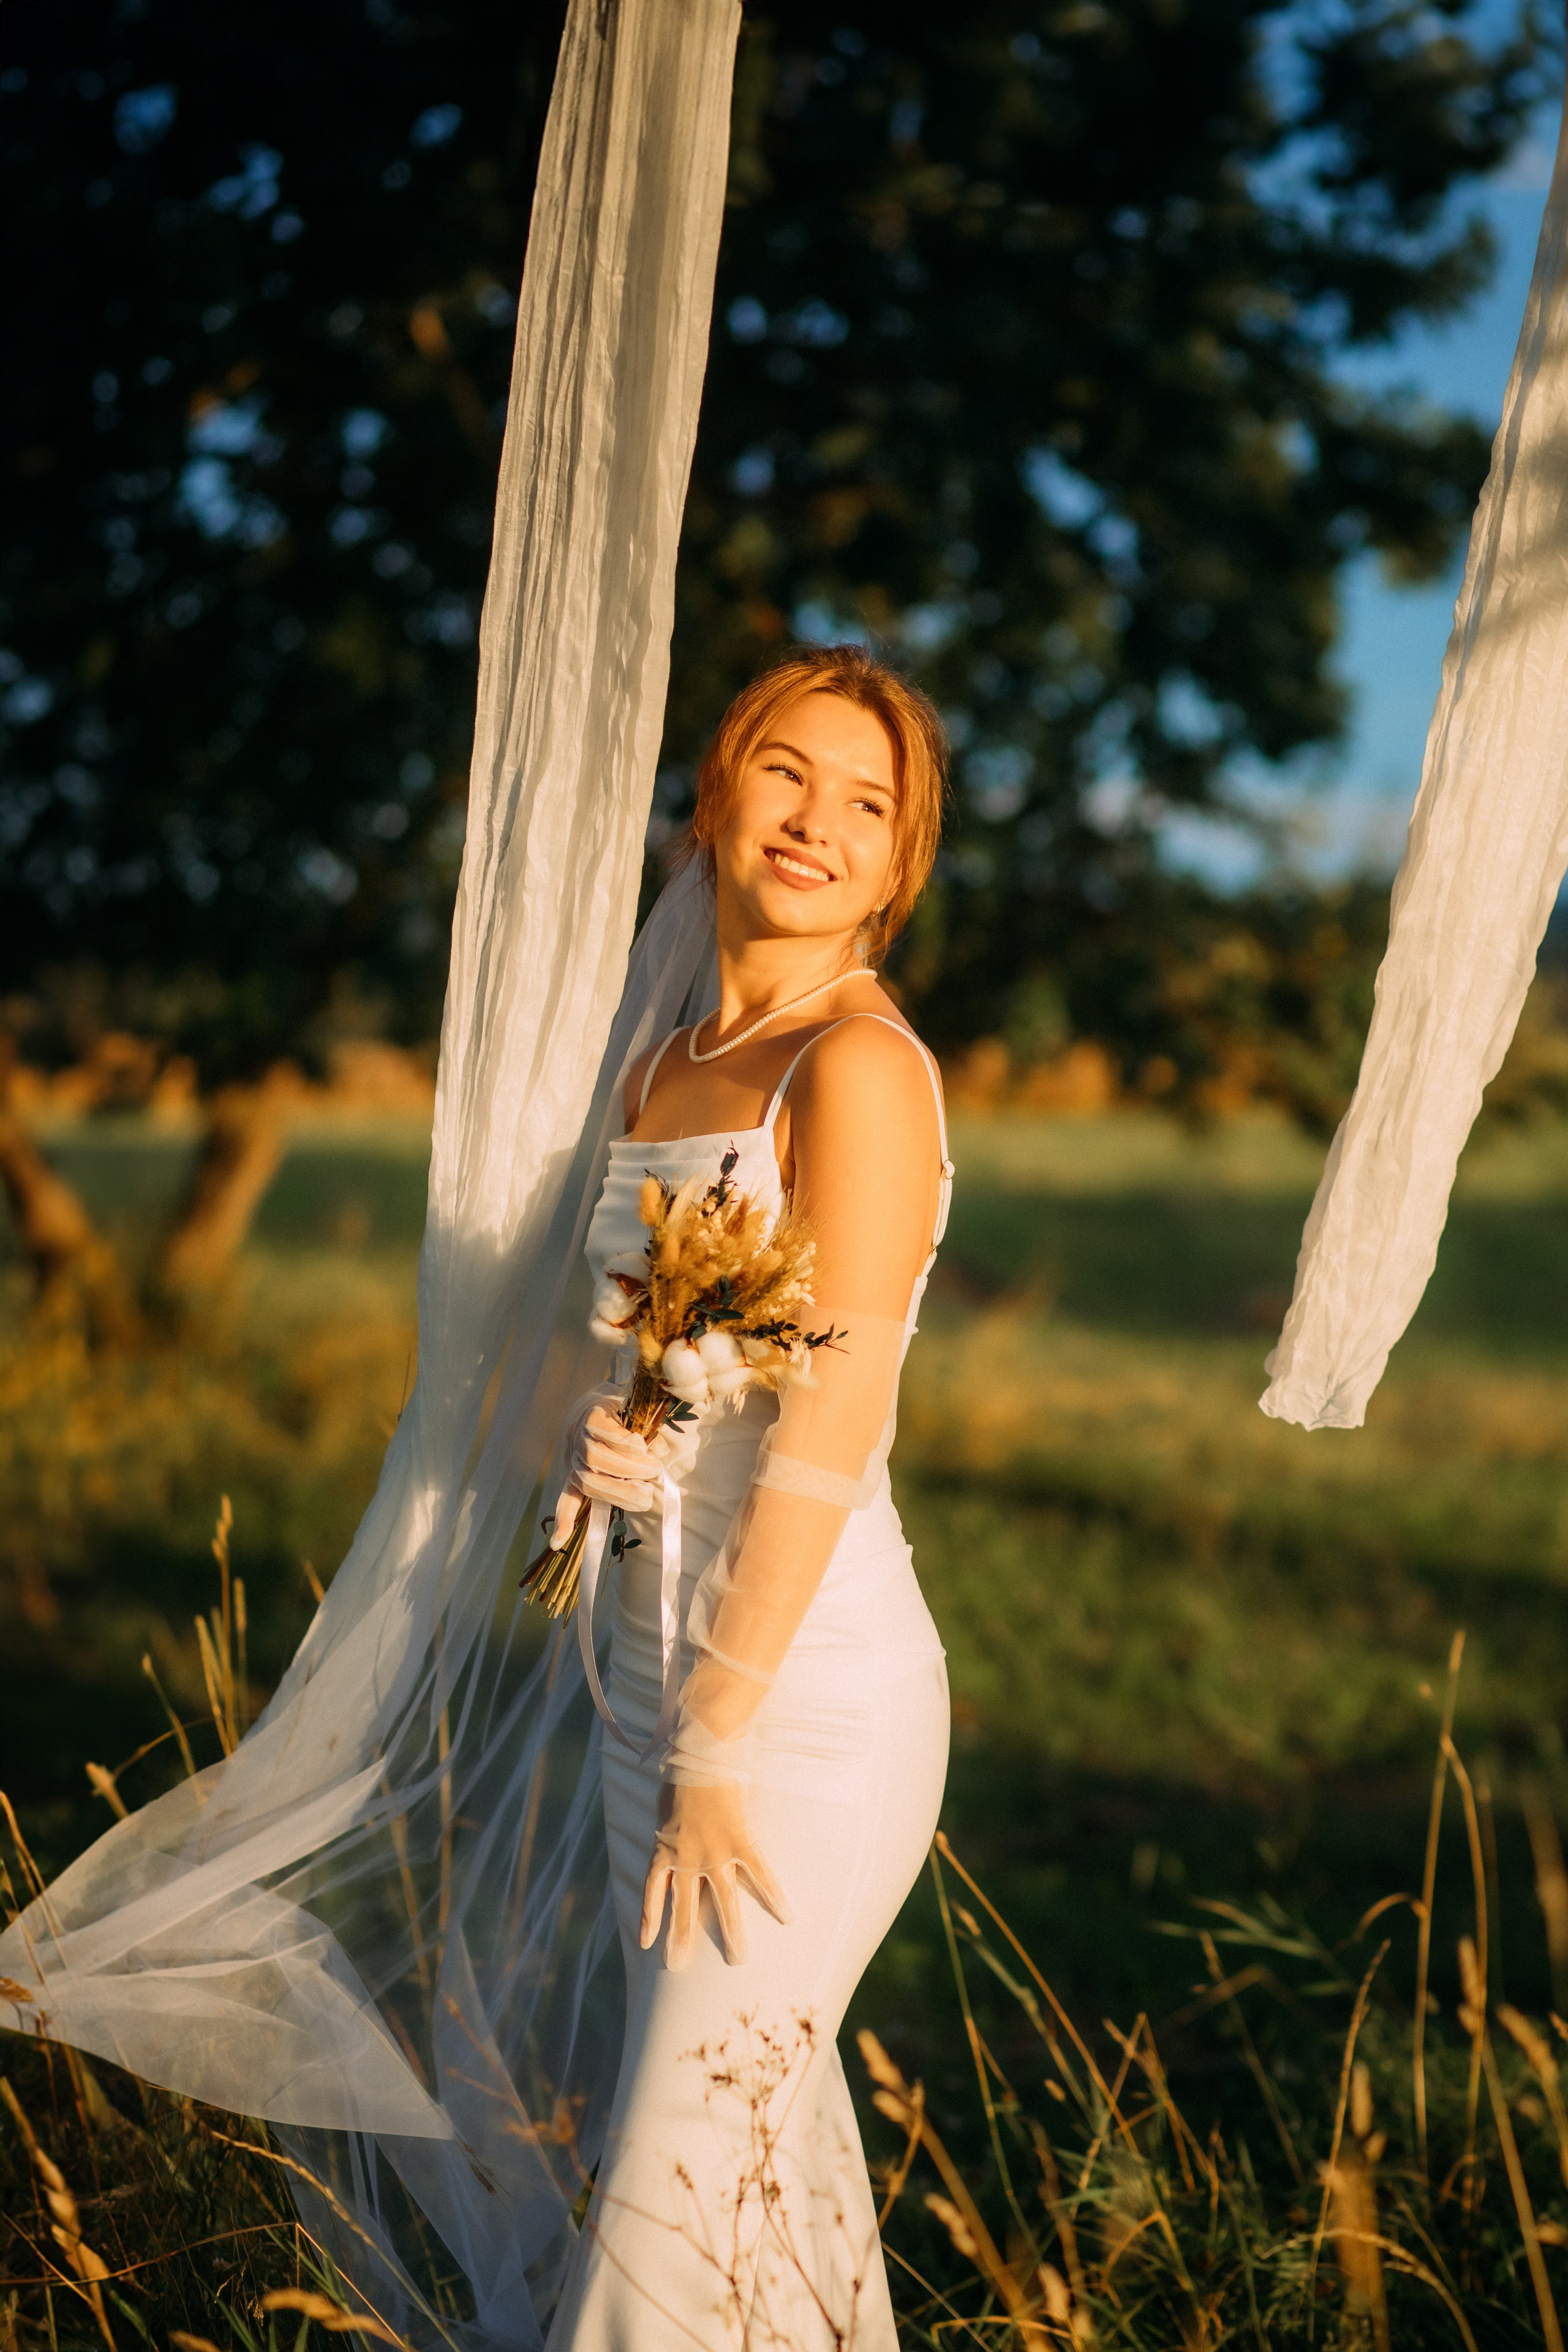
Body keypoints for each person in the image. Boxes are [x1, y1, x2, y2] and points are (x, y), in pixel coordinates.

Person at [543, 644, 956, 2349]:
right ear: (718, 790)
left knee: (675, 2168)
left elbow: (831, 1420)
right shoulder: (673, 1067)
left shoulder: (850, 1069)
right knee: (740, 2164)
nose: (818, 822)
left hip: (792, 1699)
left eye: (869, 804)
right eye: (789, 772)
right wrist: (608, 1448)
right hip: (655, 1660)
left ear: (901, 860)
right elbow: (655, 1355)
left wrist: (717, 1725)